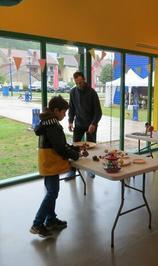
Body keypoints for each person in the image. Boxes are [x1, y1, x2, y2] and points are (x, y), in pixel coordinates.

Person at [30, 96, 81, 238]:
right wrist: (75, 155)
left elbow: (59, 144)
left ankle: (51, 220)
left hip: (47, 163)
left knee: (52, 192)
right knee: (52, 193)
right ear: (56, 110)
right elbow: (59, 148)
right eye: (64, 112)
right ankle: (37, 224)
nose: (65, 115)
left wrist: (72, 149)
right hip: (51, 164)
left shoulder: (46, 122)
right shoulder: (52, 125)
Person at [67, 71, 102, 178]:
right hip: (79, 124)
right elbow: (71, 109)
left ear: (84, 80)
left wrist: (94, 124)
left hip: (91, 124)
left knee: (91, 148)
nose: (79, 85)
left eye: (81, 82)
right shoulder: (73, 92)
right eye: (77, 83)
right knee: (74, 147)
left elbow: (98, 111)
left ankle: (91, 170)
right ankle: (72, 170)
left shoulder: (92, 93)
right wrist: (70, 121)